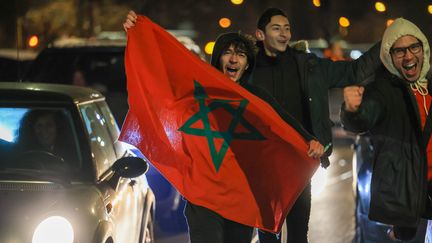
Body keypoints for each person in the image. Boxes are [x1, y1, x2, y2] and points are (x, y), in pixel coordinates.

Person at [123, 11, 325, 243]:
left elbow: (283, 122)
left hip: (241, 199)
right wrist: (139, 32)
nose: (233, 59)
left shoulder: (255, 99)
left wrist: (309, 140)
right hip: (203, 197)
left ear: (247, 63)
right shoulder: (197, 90)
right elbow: (162, 72)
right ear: (218, 58)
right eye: (227, 53)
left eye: (240, 55)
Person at [251, 7, 381, 243]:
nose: (284, 34)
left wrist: (388, 43)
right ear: (260, 35)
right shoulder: (248, 70)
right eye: (276, 28)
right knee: (268, 235)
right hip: (263, 167)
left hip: (300, 161)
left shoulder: (308, 65)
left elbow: (353, 70)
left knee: (299, 235)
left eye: (287, 29)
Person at [341, 18, 432, 241]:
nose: (409, 56)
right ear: (389, 58)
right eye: (399, 51)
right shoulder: (383, 91)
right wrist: (352, 110)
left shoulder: (430, 87)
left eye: (414, 47)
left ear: (424, 49)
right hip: (409, 202)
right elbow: (364, 118)